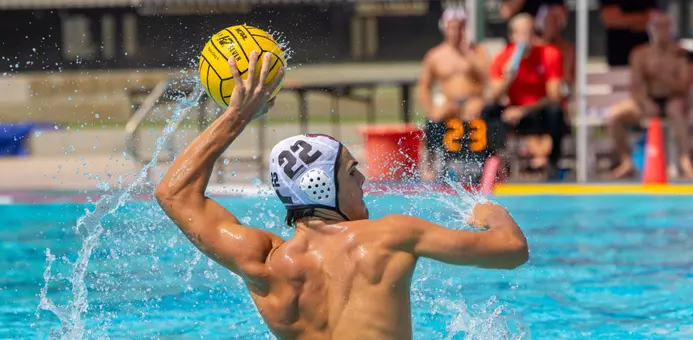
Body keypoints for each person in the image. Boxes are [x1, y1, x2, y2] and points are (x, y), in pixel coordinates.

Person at [155, 51, 529, 339]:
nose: (363, 179)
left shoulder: (265, 264)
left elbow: (174, 193)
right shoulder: (390, 237)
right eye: (351, 171)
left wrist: (236, 116)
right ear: (321, 185)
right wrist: (489, 212)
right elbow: (512, 250)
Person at [606, 12, 693, 178]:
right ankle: (626, 160)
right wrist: (645, 102)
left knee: (675, 109)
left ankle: (685, 159)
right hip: (647, 101)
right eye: (658, 26)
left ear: (672, 29)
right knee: (615, 115)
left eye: (666, 26)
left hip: (673, 101)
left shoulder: (680, 54)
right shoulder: (640, 54)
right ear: (650, 29)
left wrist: (662, 74)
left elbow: (683, 86)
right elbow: (636, 85)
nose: (662, 30)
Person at [485, 13, 566, 180]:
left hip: (538, 111)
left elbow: (554, 96)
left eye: (530, 33)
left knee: (556, 111)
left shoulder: (549, 54)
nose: (526, 38)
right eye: (521, 33)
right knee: (489, 111)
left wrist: (523, 110)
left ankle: (552, 163)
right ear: (512, 36)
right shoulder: (503, 58)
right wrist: (507, 78)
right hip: (514, 113)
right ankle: (493, 163)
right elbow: (493, 96)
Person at [418, 7, 490, 181]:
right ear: (445, 28)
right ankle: (431, 166)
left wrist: (468, 57)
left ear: (464, 28)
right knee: (435, 119)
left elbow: (487, 80)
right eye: (451, 27)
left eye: (459, 27)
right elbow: (423, 87)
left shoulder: (477, 52)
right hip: (451, 103)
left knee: (480, 115)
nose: (455, 32)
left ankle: (487, 164)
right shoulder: (436, 55)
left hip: (473, 102)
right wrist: (432, 109)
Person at [523, 4, 575, 179]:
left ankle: (548, 160)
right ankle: (541, 157)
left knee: (555, 110)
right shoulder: (535, 49)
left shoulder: (565, 51)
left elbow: (563, 83)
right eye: (548, 22)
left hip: (554, 100)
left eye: (556, 22)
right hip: (533, 101)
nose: (552, 26)